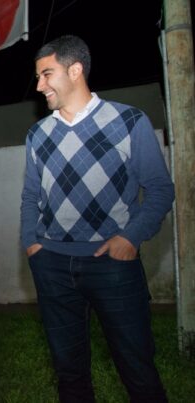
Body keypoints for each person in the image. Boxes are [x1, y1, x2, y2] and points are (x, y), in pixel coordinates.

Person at [20, 35, 174, 402]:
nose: (39, 86)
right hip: (52, 264)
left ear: (75, 70)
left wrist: (131, 238)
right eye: (38, 77)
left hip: (112, 264)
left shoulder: (129, 121)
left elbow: (159, 189)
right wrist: (32, 244)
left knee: (137, 368)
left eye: (46, 74)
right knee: (69, 373)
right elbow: (30, 197)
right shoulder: (38, 134)